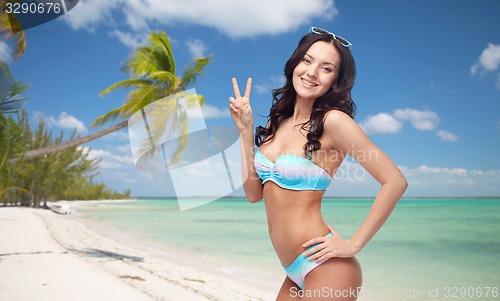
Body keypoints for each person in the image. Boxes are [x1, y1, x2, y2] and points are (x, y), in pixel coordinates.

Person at [229, 27, 407, 300]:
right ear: (295, 64)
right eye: (307, 61)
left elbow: (394, 181)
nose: (312, 72)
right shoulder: (278, 122)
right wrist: (245, 131)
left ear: (335, 81)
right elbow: (254, 195)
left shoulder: (334, 122)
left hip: (327, 266)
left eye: (326, 68)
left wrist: (353, 244)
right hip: (292, 270)